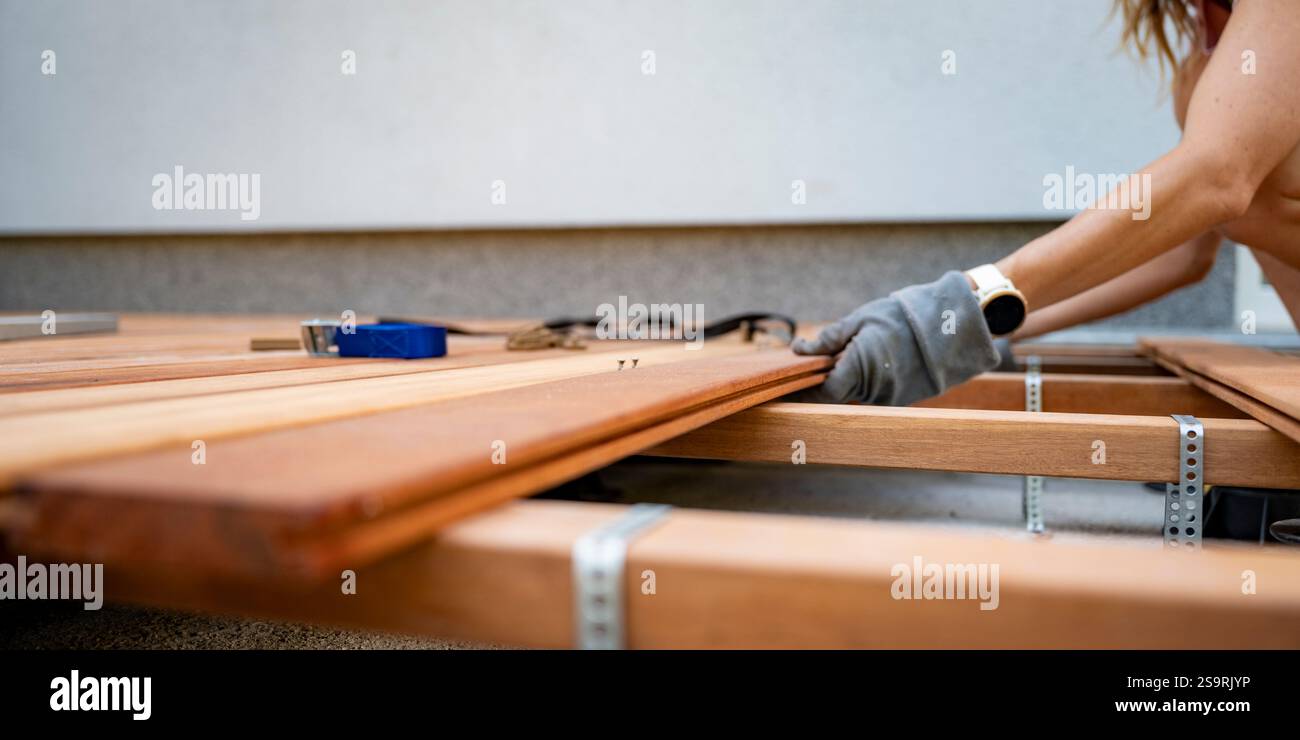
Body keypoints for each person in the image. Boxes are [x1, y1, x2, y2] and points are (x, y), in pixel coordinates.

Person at [795, 0, 1300, 405]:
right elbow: (1180, 254)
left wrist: (960, 306)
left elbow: (1216, 177)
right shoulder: (1205, 58)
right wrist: (980, 333)